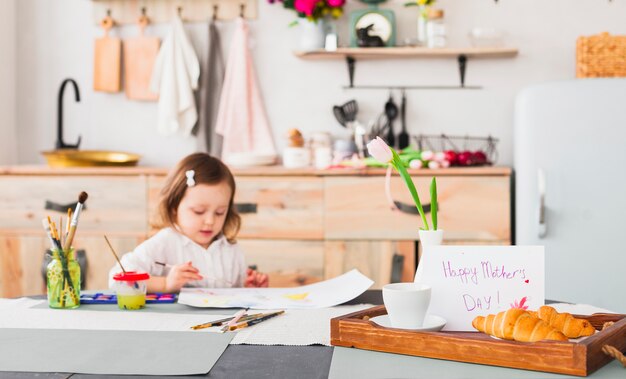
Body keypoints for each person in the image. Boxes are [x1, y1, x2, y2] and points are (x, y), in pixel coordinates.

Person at [108, 153, 269, 292]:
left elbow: (234, 294)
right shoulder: (164, 243)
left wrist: (249, 288)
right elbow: (116, 279)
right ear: (174, 208)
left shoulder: (231, 249)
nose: (210, 221)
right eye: (198, 211)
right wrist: (165, 284)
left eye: (220, 212)